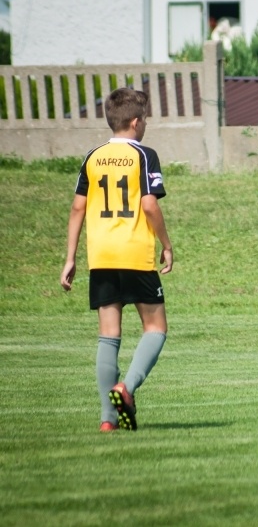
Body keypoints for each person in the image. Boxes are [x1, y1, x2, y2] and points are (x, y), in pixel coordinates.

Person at [60, 87, 173, 433]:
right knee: (155, 328)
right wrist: (166, 244)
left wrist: (70, 258)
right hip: (135, 254)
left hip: (101, 256)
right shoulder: (144, 155)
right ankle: (127, 388)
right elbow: (149, 204)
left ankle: (107, 420)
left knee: (108, 336)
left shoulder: (93, 157)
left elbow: (78, 207)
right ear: (137, 122)